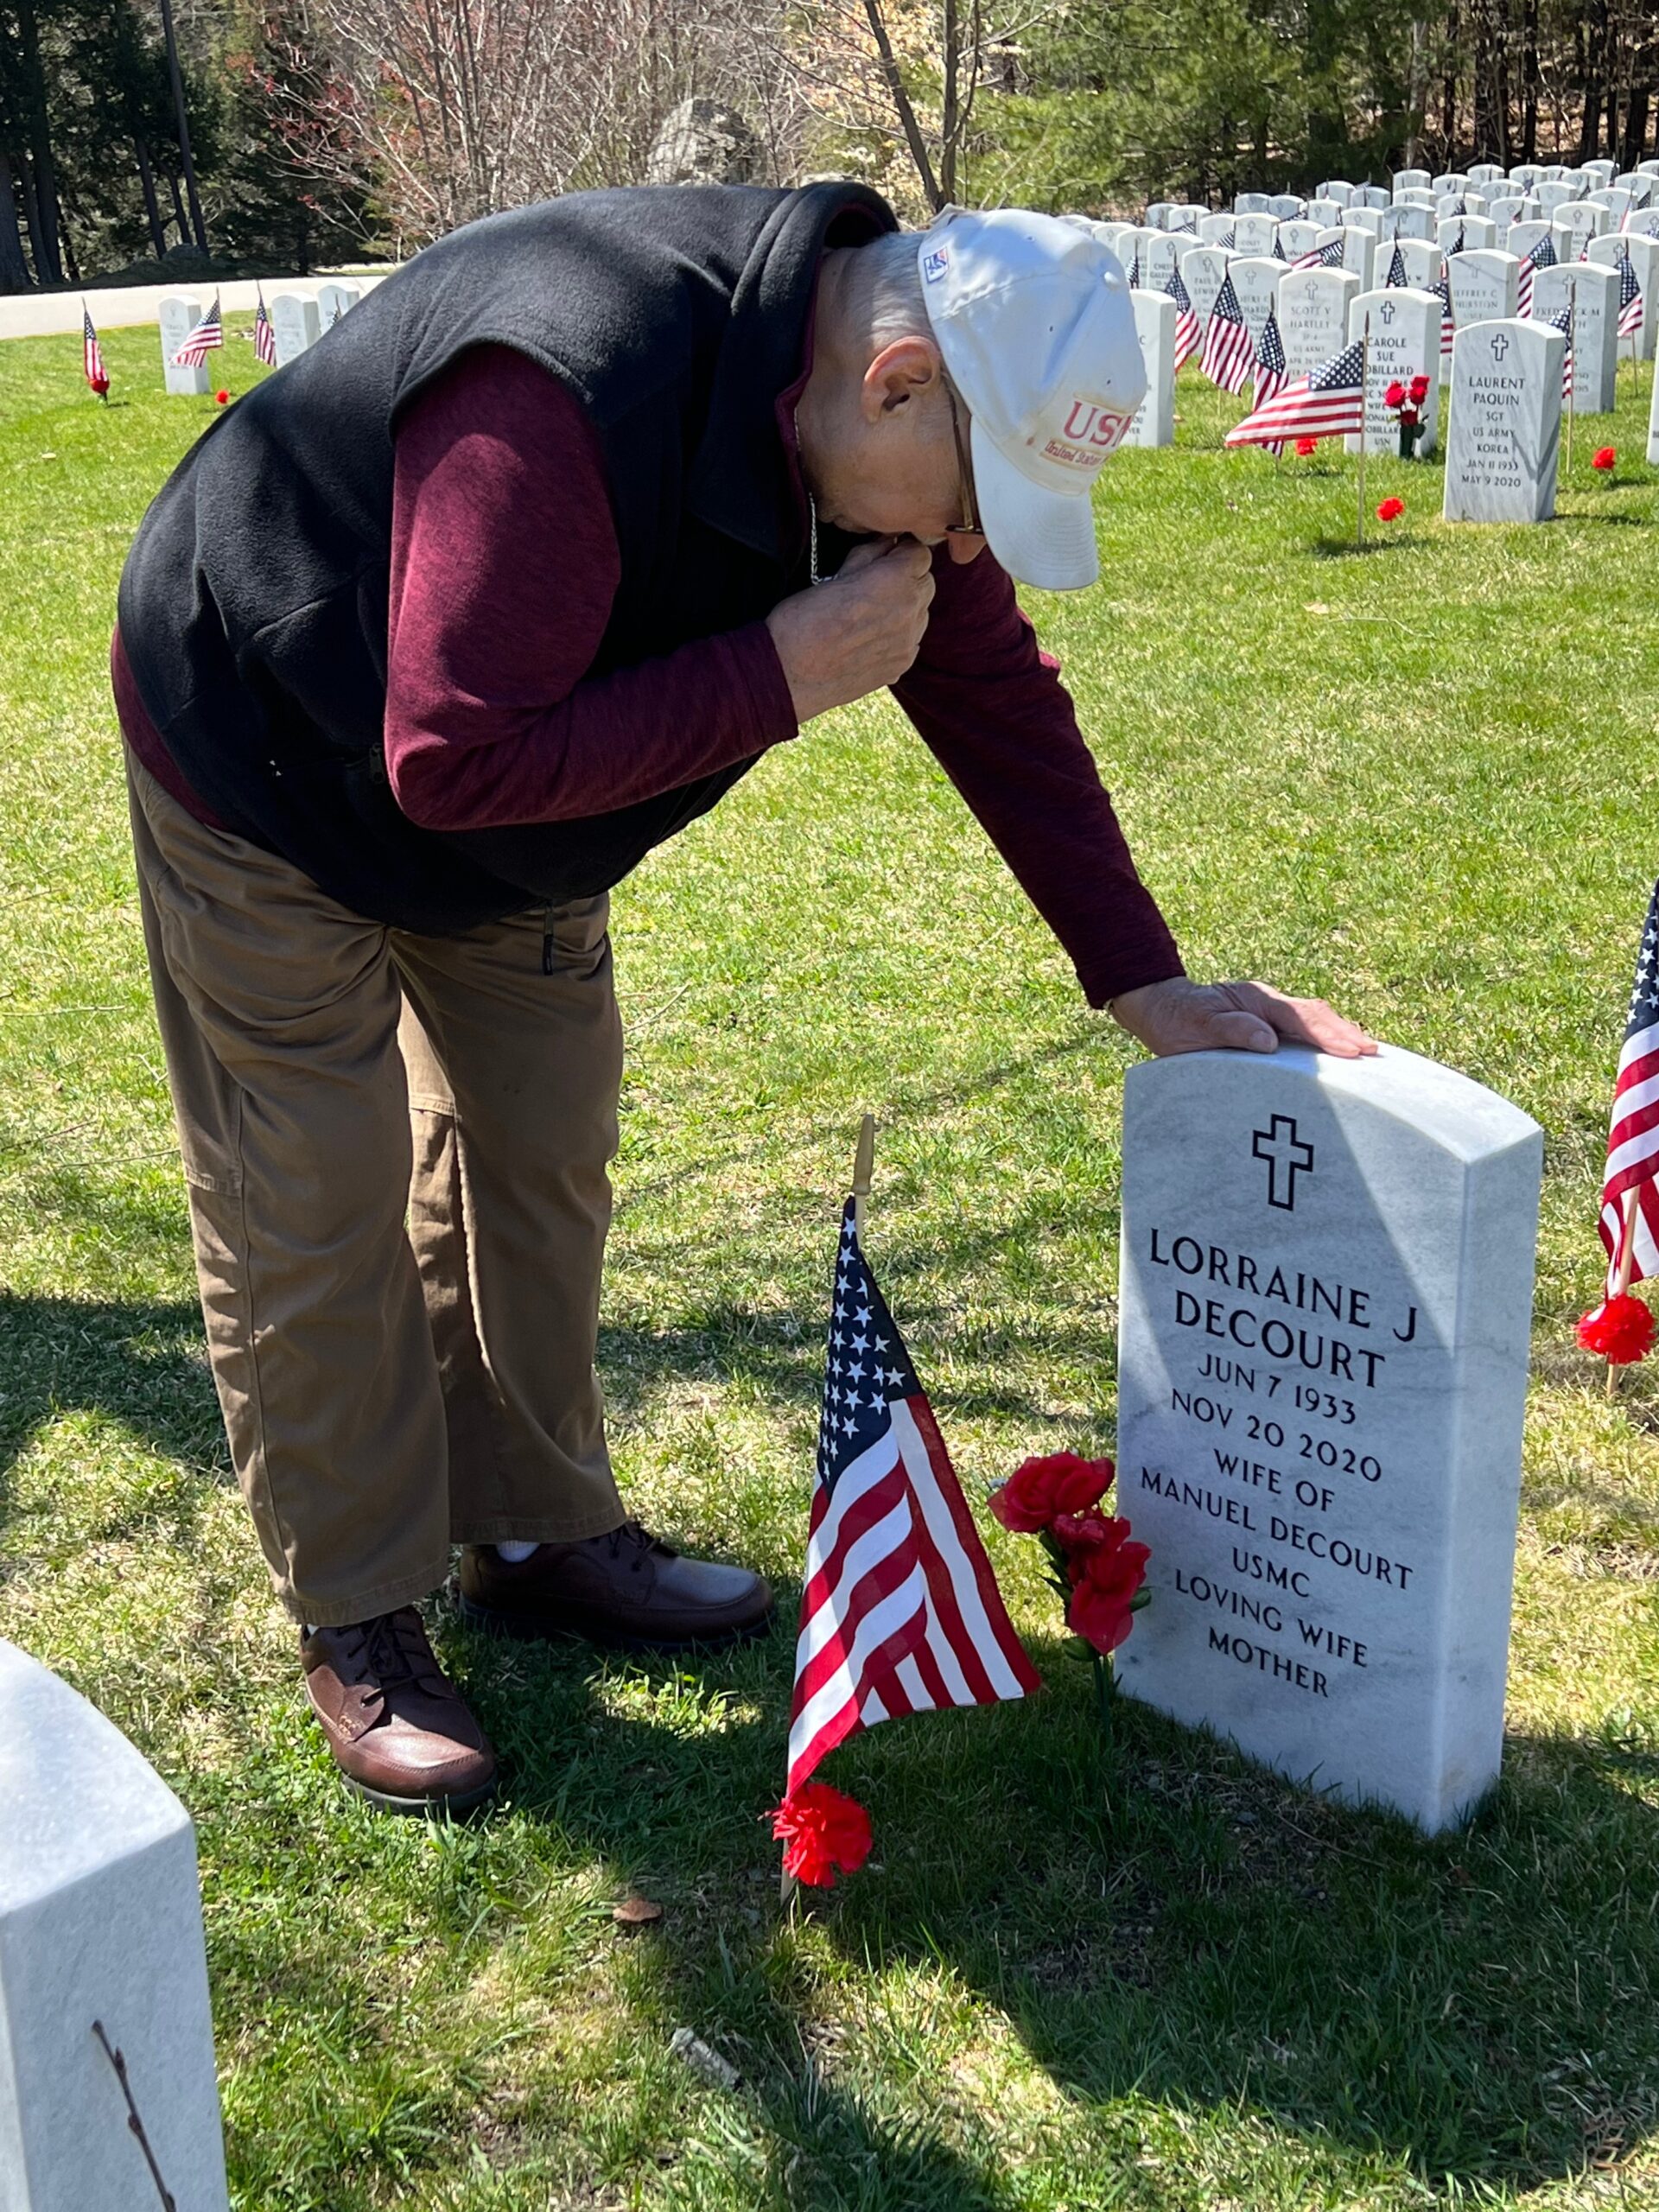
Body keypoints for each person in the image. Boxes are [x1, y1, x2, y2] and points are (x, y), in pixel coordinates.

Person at [112, 187, 1372, 1815]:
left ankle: (533, 1531)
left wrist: (1142, 976)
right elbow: (450, 753)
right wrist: (779, 672)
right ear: (900, 380)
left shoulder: (871, 433)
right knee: (315, 1189)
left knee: (543, 1149)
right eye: (975, 503)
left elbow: (988, 683)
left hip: (517, 820)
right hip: (268, 760)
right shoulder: (566, 382)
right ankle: (356, 1606)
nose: (967, 548)